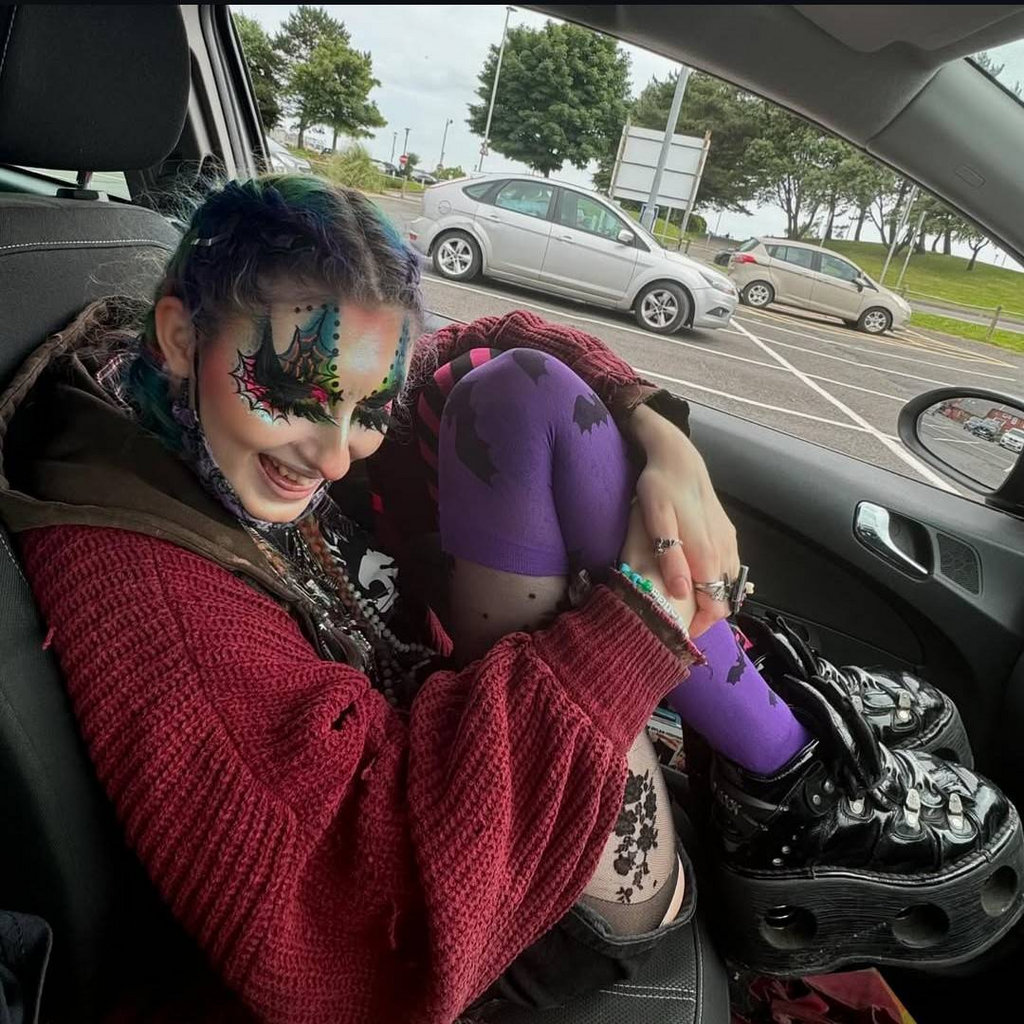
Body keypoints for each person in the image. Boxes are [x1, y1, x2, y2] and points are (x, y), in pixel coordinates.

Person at [0, 176, 1019, 1024]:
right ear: (181, 337)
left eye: (369, 407)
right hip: (450, 891)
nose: (334, 454)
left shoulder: (174, 389)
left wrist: (661, 436)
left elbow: (498, 340)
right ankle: (783, 762)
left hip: (432, 704)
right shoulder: (151, 593)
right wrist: (630, 630)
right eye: (297, 396)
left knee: (518, 391)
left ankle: (778, 749)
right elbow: (333, 935)